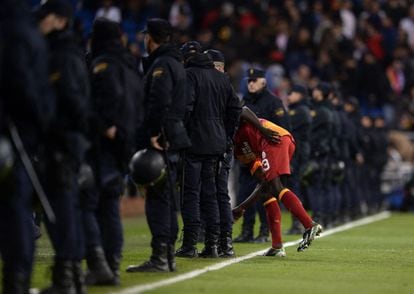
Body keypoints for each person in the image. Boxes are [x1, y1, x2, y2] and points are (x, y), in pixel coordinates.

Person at [82, 18, 144, 285]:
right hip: (125, 145)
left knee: (88, 203)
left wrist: (107, 125)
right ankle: (112, 265)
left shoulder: (104, 63)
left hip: (105, 145)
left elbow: (109, 96)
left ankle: (98, 263)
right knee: (109, 206)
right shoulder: (131, 65)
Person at [126, 18, 191, 272]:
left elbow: (158, 101)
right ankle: (167, 255)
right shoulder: (176, 62)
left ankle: (160, 257)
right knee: (168, 198)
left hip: (161, 138)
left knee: (157, 198)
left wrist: (155, 132)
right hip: (174, 136)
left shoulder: (163, 64)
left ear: (149, 37)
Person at [0, 0, 55, 292]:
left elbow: (19, 84)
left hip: (13, 135)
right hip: (24, 133)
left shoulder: (13, 32)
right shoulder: (31, 33)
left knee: (15, 209)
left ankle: (16, 281)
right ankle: (17, 279)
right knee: (18, 209)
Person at [36, 1, 90, 292]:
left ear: (59, 20)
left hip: (63, 141)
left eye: (45, 17)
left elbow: (71, 102)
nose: (40, 22)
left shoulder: (62, 55)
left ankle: (67, 275)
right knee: (63, 207)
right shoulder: (65, 52)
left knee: (63, 208)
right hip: (65, 140)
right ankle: (71, 274)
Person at [175, 43, 241, 258]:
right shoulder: (222, 78)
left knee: (191, 194)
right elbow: (235, 109)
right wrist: (226, 135)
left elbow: (186, 108)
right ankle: (213, 245)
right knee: (213, 195)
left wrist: (180, 135)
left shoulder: (189, 75)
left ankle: (190, 243)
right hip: (217, 144)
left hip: (194, 143)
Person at [232, 115, 322, 256]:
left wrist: (262, 130)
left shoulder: (232, 120)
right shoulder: (238, 149)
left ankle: (309, 225)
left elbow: (243, 110)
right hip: (282, 140)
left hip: (273, 138)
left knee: (275, 187)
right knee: (268, 191)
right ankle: (277, 246)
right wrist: (241, 208)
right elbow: (263, 181)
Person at [234, 68, 290, 243]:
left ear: (263, 82)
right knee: (244, 193)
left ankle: (264, 232)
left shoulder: (273, 102)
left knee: (264, 195)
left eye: (254, 80)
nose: (250, 83)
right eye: (249, 80)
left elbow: (284, 130)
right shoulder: (245, 100)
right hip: (248, 158)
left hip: (266, 158)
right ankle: (246, 231)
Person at [205, 48, 236, 257]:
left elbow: (235, 112)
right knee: (217, 193)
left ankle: (223, 241)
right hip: (219, 144)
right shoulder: (222, 84)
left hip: (221, 146)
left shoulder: (222, 84)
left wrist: (225, 138)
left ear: (218, 66)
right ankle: (220, 241)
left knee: (218, 193)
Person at [286, 84, 312, 234]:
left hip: (297, 154)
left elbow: (288, 128)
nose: (289, 96)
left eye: (292, 93)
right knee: (294, 188)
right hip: (297, 153)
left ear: (301, 94)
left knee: (294, 189)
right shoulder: (299, 110)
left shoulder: (300, 111)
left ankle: (299, 223)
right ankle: (299, 222)